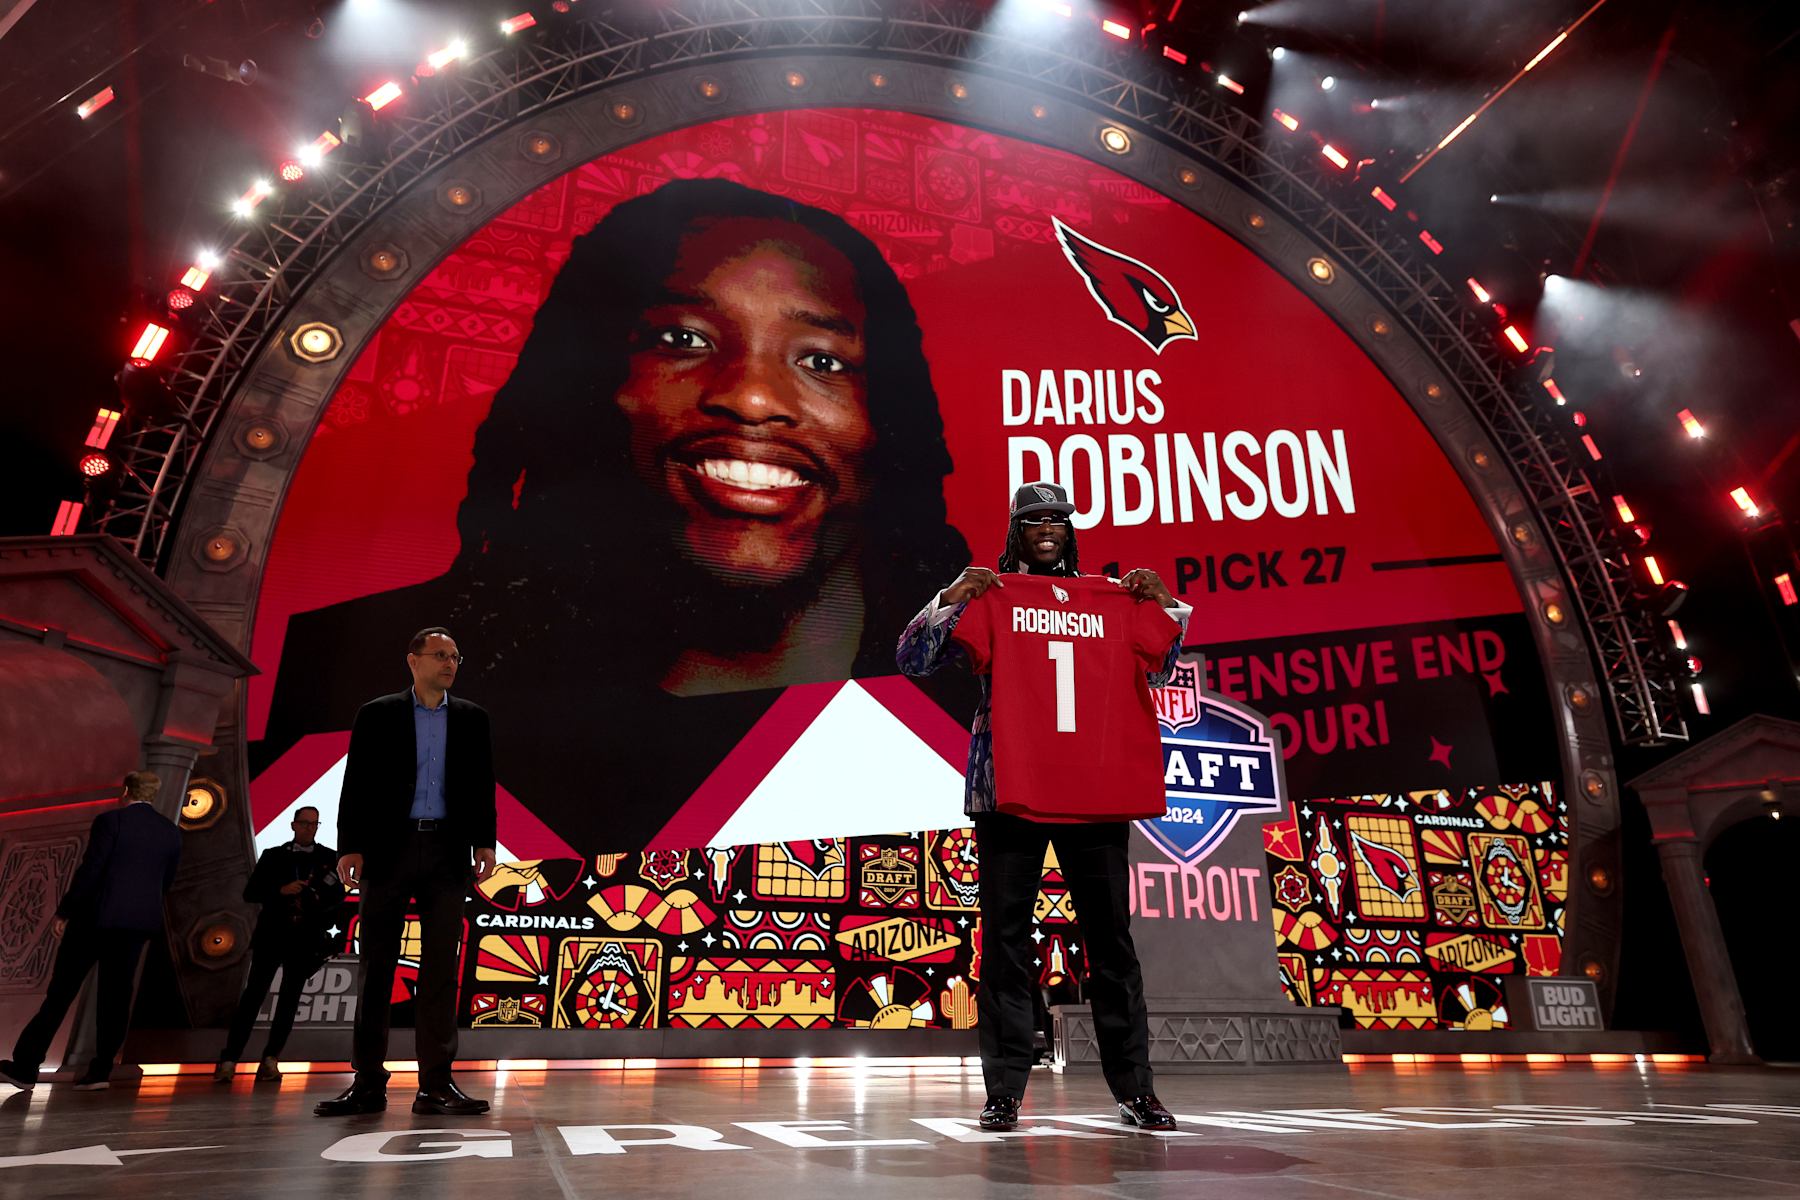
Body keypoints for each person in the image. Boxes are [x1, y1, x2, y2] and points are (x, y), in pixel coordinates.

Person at [259, 178, 973, 855]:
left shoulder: (977, 695)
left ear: (892, 422)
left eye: (822, 359)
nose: (752, 399)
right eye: (683, 340)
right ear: (589, 386)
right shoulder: (358, 673)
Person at [897, 481, 1188, 1133]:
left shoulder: (1113, 597)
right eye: (1035, 520)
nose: (1048, 528)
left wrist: (1165, 606)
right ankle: (1003, 1091)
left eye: (1058, 518)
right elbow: (911, 657)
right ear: (1017, 531)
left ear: (1071, 529)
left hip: (1098, 790)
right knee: (1005, 944)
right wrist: (951, 598)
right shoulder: (993, 594)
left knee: (1113, 944)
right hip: (1012, 791)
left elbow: (1161, 666)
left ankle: (1135, 1090)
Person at [313, 627, 497, 1117]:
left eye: (456, 655)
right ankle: (368, 1081)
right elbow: (355, 784)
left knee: (439, 969)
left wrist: (485, 841)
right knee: (377, 968)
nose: (450, 663)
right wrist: (349, 845)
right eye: (440, 655)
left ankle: (436, 1084)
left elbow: (482, 784)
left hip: (446, 851)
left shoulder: (472, 718)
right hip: (387, 851)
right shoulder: (377, 714)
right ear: (412, 660)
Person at [0, 770, 181, 1092]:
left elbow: (91, 870)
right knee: (115, 999)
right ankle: (99, 1072)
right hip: (135, 927)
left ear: (126, 790)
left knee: (60, 995)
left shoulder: (111, 821)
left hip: (94, 921)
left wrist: (65, 910)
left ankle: (26, 1067)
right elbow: (166, 882)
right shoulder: (170, 832)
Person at [214, 806, 344, 1082]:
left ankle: (271, 1059)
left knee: (289, 1000)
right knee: (253, 997)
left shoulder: (329, 858)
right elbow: (251, 893)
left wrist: (320, 909)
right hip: (272, 934)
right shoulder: (273, 856)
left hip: (305, 938)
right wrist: (280, 891)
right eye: (305, 823)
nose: (310, 828)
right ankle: (229, 1059)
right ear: (293, 825)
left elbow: (338, 900)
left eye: (315, 823)